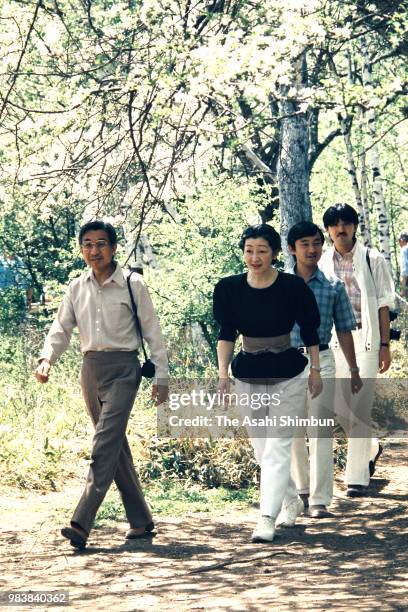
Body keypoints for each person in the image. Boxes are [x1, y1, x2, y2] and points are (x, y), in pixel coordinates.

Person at [35, 221, 168, 549]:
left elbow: (152, 331)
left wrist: (162, 375)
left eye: (101, 244)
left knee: (102, 446)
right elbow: (61, 328)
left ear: (114, 248)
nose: (94, 251)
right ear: (82, 249)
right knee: (115, 447)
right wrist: (46, 358)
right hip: (90, 371)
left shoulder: (133, 284)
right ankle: (141, 521)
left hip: (124, 370)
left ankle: (81, 522)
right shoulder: (76, 287)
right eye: (88, 245)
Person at [213, 224, 322, 543]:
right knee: (263, 449)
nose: (255, 257)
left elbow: (311, 331)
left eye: (262, 250)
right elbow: (226, 334)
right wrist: (223, 375)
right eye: (249, 250)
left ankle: (265, 518)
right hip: (247, 373)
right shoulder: (229, 289)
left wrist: (315, 369)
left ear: (275, 253)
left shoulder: (293, 287)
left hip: (289, 372)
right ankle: (290, 499)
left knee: (278, 444)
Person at [287, 221, 362, 518]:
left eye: (316, 242)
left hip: (323, 361)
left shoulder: (332, 287)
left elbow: (344, 330)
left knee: (320, 431)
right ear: (292, 249)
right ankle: (301, 491)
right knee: (292, 431)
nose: (311, 249)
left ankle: (319, 499)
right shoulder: (281, 286)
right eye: (304, 243)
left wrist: (354, 369)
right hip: (286, 364)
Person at [319, 204, 395, 497]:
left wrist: (384, 346)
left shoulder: (371, 258)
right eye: (335, 225)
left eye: (346, 223)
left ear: (354, 227)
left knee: (359, 406)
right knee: (340, 410)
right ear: (328, 230)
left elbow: (383, 305)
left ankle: (356, 479)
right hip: (334, 341)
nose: (341, 229)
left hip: (366, 339)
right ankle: (372, 448)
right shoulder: (323, 261)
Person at [398, 231, 408, 298]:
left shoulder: (404, 250)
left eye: (399, 240)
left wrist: (403, 289)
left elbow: (405, 271)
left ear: (402, 240)